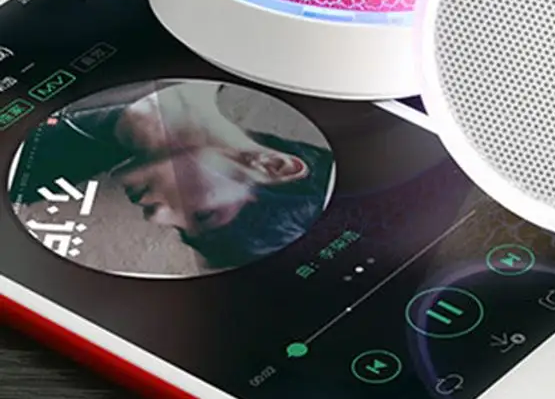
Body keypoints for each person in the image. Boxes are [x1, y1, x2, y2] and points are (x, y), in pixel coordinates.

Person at [12, 80, 335, 271]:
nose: (156, 218)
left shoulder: (28, 175)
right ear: (272, 165)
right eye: (205, 215)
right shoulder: (191, 39)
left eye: (183, 231)